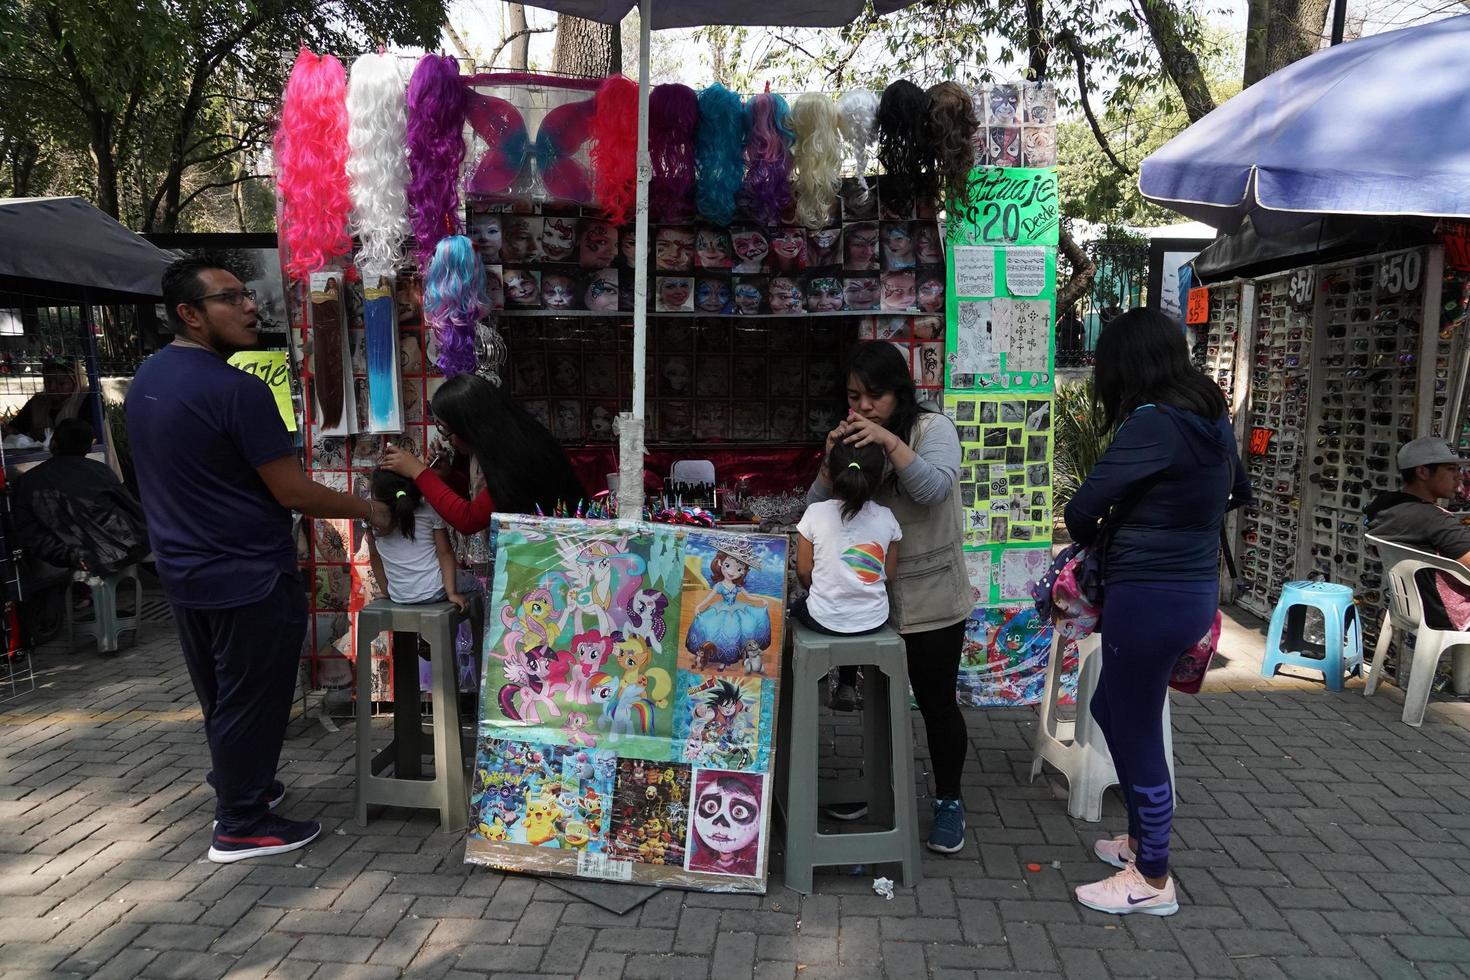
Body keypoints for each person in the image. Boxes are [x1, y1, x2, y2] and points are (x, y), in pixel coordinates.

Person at [126, 256, 393, 864]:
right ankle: (241, 824)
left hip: (185, 574)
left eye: (247, 295)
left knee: (222, 695)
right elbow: (293, 491)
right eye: (229, 299)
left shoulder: (147, 381)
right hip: (245, 575)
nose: (251, 307)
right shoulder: (237, 389)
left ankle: (241, 784)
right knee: (253, 697)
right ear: (190, 315)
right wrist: (370, 509)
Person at [1063, 307, 1249, 917]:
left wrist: (1116, 529)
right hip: (1192, 589)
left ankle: (1152, 877)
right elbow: (1238, 493)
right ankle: (1144, 841)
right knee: (1107, 707)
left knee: (1137, 725)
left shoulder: (1153, 422)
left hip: (1146, 594)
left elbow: (1083, 508)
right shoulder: (1209, 417)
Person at [807, 341, 972, 853]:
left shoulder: (932, 430)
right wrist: (830, 463)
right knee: (878, 702)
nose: (862, 408)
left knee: (936, 701)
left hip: (932, 597)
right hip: (869, 598)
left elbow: (932, 489)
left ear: (901, 393)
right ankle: (875, 787)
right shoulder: (856, 435)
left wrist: (887, 441)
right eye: (854, 397)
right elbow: (817, 510)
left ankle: (948, 801)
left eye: (874, 397)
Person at [381, 373, 586, 535]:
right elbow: (485, 503)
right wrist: (447, 477)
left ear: (469, 426)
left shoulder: (518, 458)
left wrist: (418, 471)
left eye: (445, 429)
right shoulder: (509, 440)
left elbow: (468, 519)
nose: (445, 439)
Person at [13, 417, 149, 583]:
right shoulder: (101, 470)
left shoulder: (29, 481)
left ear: (53, 444)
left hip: (85, 558)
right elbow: (132, 510)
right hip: (128, 550)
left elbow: (30, 534)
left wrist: (73, 557)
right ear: (89, 446)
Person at [794, 438, 901, 636]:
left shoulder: (814, 513)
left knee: (796, 609)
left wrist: (822, 591)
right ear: (879, 477)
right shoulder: (887, 517)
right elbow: (889, 574)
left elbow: (803, 571)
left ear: (829, 473)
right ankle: (851, 668)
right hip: (874, 619)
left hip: (824, 618)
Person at [1365, 438, 1470, 629]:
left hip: (1412, 610)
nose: (1459, 477)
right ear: (1422, 471)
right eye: (1451, 469)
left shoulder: (1381, 506)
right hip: (1449, 615)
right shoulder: (1435, 520)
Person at [365, 469, 469, 610]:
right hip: (435, 591)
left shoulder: (371, 520)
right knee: (476, 584)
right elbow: (445, 552)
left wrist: (387, 591)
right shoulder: (429, 511)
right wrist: (452, 593)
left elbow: (374, 556)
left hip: (399, 596)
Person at [5, 358, 88, 444]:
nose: (52, 387)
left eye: (61, 383)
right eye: (47, 381)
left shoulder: (87, 399)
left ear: (77, 382)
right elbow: (15, 428)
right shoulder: (37, 402)